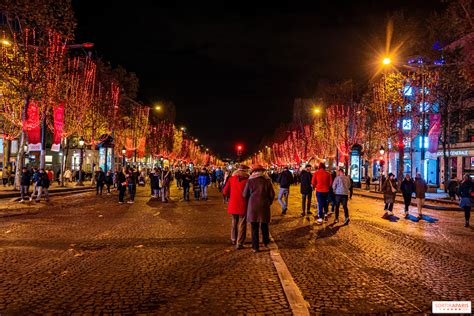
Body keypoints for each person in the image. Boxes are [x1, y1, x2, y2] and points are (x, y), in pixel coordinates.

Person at [243, 164, 275, 253]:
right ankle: (265, 242)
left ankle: (255, 247)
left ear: (253, 172)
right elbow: (272, 195)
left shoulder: (250, 181)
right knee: (264, 225)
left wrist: (249, 201)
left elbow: (245, 194)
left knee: (254, 227)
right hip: (264, 205)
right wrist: (268, 202)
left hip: (253, 206)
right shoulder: (267, 181)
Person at [223, 165, 250, 249]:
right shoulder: (248, 180)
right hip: (244, 203)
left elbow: (224, 191)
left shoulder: (231, 179)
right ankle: (240, 242)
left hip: (233, 203)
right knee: (242, 223)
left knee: (234, 222)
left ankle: (233, 239)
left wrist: (229, 196)